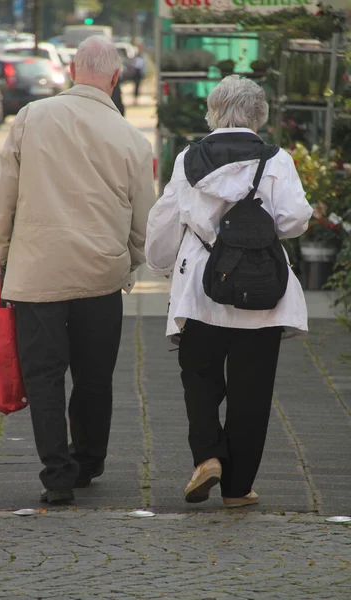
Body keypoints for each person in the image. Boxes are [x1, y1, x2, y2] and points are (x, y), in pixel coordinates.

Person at [0, 36, 155, 504]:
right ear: (116, 79)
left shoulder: (32, 118)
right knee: (95, 376)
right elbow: (144, 219)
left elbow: (5, 191)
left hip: (36, 275)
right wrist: (130, 261)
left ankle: (57, 474)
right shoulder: (131, 139)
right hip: (100, 276)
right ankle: (89, 460)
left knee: (44, 376)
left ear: (73, 71)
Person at [145, 75, 312, 508]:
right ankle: (238, 489)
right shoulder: (277, 161)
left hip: (201, 290)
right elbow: (294, 221)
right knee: (251, 391)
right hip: (260, 294)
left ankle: (207, 456)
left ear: (213, 112)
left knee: (198, 376)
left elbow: (164, 221)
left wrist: (161, 263)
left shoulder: (187, 160)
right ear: (260, 115)